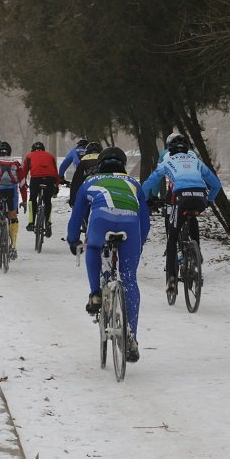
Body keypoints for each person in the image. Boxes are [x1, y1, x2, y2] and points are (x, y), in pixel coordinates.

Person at [66, 147, 150, 363]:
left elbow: (76, 216)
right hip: (130, 226)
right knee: (129, 278)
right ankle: (131, 336)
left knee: (93, 248)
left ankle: (95, 293)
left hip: (101, 222)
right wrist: (139, 244)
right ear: (123, 165)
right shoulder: (134, 184)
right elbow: (145, 221)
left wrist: (73, 239)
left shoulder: (90, 182)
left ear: (100, 164)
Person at [142, 133, 221, 295]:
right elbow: (216, 185)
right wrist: (208, 201)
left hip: (180, 197)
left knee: (172, 238)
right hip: (200, 197)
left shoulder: (167, 161)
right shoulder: (196, 161)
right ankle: (196, 257)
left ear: (170, 149)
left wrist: (144, 200)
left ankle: (171, 278)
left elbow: (150, 182)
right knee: (192, 218)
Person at [21, 141, 59, 236]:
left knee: (32, 199)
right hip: (50, 178)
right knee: (47, 200)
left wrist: (23, 182)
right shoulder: (50, 155)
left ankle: (31, 222)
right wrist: (57, 185)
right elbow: (55, 171)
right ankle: (48, 223)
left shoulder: (30, 156)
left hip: (36, 178)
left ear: (32, 149)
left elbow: (24, 171)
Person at [68, 141, 103, 208]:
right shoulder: (103, 158)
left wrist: (72, 200)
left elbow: (76, 180)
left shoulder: (85, 158)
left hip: (88, 185)